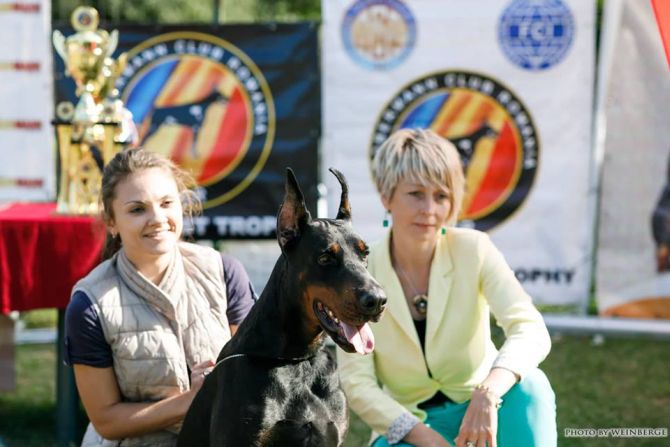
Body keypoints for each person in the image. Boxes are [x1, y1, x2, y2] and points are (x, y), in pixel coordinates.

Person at [337, 129, 556, 447]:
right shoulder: (361, 271)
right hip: (408, 426)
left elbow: (530, 328)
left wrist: (488, 391)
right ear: (386, 196)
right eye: (416, 194)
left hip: (481, 408)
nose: (429, 209)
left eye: (441, 196)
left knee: (531, 386)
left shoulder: (475, 249)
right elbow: (356, 381)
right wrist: (428, 439)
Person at [64, 148, 256, 446]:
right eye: (137, 209)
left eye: (167, 203)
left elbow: (254, 370)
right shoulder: (89, 305)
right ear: (111, 221)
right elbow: (107, 421)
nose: (157, 218)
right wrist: (190, 400)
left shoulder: (224, 272)